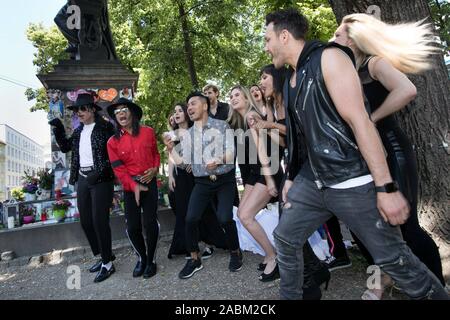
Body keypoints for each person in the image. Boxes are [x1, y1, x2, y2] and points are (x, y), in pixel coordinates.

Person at [264, 8, 448, 300]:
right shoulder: (290, 81)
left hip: (351, 179)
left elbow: (361, 122)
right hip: (314, 182)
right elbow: (302, 139)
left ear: (284, 36)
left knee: (393, 257)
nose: (266, 46)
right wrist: (289, 179)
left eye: (268, 39)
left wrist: (385, 187)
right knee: (285, 238)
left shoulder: (329, 58)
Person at [329, 13, 445, 299]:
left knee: (406, 226)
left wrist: (372, 119)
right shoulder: (345, 72)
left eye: (339, 35)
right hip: (366, 157)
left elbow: (407, 90)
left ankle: (438, 288)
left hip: (393, 151)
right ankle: (387, 279)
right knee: (365, 227)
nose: (334, 39)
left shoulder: (374, 63)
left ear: (355, 41)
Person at [164, 92, 242, 279]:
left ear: (205, 106)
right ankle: (194, 259)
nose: (189, 108)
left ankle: (235, 252)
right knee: (190, 219)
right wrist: (170, 150)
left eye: (193, 104)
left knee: (224, 218)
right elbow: (184, 164)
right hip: (202, 183)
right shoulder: (187, 135)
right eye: (188, 105)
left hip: (224, 181)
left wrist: (219, 159)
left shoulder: (222, 126)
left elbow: (232, 153)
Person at [49, 93, 116, 283]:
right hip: (84, 178)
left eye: (82, 109)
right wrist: (58, 129)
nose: (79, 112)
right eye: (77, 109)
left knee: (99, 221)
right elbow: (64, 147)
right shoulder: (79, 132)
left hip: (101, 178)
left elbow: (113, 154)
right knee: (86, 221)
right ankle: (104, 255)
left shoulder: (105, 128)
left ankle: (108, 264)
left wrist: (100, 171)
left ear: (92, 110)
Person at [228, 85, 282, 282]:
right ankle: (272, 253)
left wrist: (269, 181)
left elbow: (263, 152)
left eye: (237, 95)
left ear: (246, 97)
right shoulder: (239, 122)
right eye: (231, 96)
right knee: (242, 215)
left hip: (267, 170)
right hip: (253, 174)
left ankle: (273, 257)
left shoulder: (252, 116)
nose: (233, 98)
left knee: (245, 215)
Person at [106, 98, 160, 279]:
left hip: (150, 182)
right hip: (130, 187)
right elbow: (119, 170)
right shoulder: (112, 142)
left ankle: (151, 260)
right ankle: (142, 258)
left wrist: (155, 169)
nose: (121, 113)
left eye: (124, 109)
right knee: (133, 227)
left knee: (150, 223)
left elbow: (155, 155)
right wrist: (133, 185)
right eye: (117, 111)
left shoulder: (148, 132)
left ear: (132, 113)